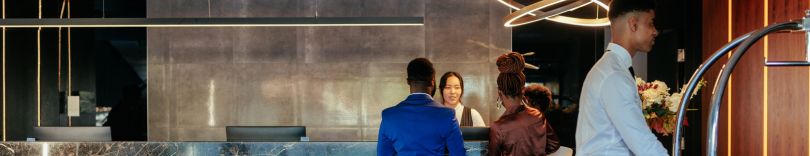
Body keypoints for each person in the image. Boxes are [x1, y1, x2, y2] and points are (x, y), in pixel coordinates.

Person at [575, 0, 667, 155]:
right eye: (651, 23)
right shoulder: (614, 74)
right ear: (634, 24)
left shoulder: (610, 69)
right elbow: (642, 142)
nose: (655, 31)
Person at [377, 58, 466, 156]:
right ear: (432, 81)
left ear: (408, 81)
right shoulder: (448, 115)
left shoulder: (388, 116)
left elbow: (383, 154)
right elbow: (459, 154)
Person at [489, 52, 560, 156]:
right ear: (523, 91)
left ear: (499, 91)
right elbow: (554, 145)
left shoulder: (498, 126)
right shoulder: (537, 115)